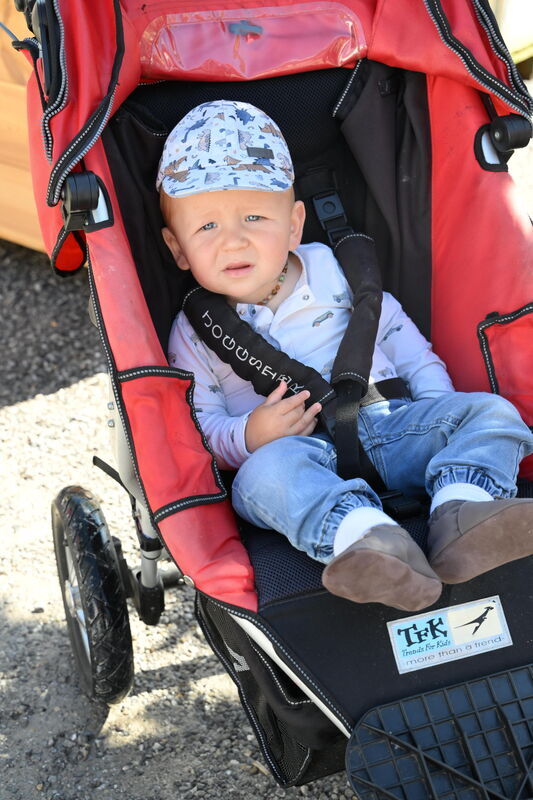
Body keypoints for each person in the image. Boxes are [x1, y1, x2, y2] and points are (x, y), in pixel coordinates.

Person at [158, 99, 533, 612]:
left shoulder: (334, 269)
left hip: (395, 422)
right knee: (261, 480)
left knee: (491, 412)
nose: (234, 241)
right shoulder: (194, 333)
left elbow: (402, 340)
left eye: (254, 217)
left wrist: (436, 406)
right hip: (300, 454)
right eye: (207, 227)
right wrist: (249, 437)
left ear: (294, 225)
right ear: (177, 249)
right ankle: (366, 538)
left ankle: (462, 511)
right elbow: (200, 429)